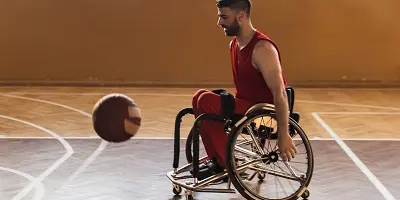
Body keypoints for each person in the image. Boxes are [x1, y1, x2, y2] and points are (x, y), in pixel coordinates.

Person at [191, 0, 297, 180]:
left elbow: (279, 93)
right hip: (247, 107)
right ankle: (218, 160)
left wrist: (284, 133)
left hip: (263, 113)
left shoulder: (263, 49)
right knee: (198, 97)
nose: (219, 23)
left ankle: (228, 164)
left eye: (224, 17)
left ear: (240, 15)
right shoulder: (234, 45)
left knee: (205, 101)